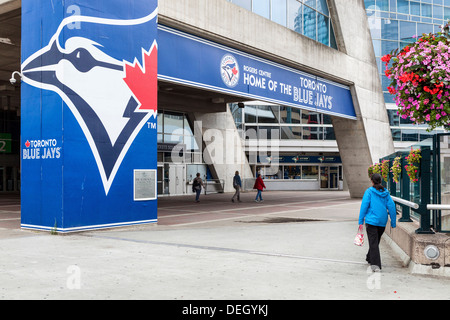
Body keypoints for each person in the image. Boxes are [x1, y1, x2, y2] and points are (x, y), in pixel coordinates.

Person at [358, 173, 397, 272]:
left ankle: (375, 265)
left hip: (371, 221)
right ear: (380, 181)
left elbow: (364, 206)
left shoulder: (369, 192)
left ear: (372, 181)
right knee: (375, 241)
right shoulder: (386, 193)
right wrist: (393, 222)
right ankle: (369, 257)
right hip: (382, 222)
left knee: (373, 242)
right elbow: (392, 207)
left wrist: (360, 221)